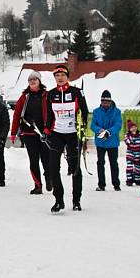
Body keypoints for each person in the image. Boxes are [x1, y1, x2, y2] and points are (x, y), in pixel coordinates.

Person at [44, 64, 89, 212]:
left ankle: (76, 200)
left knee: (75, 168)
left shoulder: (76, 92)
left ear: (67, 76)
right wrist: (46, 129)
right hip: (57, 134)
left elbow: (84, 112)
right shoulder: (51, 94)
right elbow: (49, 115)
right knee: (53, 168)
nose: (60, 78)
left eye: (62, 75)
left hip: (73, 134)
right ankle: (59, 200)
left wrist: (82, 132)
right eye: (57, 76)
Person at [10, 70, 50, 194]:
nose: (32, 81)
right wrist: (13, 132)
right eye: (30, 80)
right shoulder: (24, 97)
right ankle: (38, 185)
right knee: (33, 161)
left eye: (35, 79)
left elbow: (52, 113)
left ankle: (49, 178)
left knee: (47, 159)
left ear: (39, 81)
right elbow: (17, 115)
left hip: (44, 133)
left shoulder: (46, 95)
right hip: (28, 133)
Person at [90, 89, 122, 191]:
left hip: (112, 142)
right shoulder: (96, 111)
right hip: (100, 142)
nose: (105, 104)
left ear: (110, 101)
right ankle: (101, 184)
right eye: (103, 102)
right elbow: (93, 125)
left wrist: (109, 132)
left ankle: (116, 184)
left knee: (114, 164)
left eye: (107, 102)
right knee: (100, 163)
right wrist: (100, 130)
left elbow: (118, 125)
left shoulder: (117, 112)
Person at [124, 119, 140, 186]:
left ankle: (137, 180)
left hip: (138, 153)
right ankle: (129, 180)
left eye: (135, 127)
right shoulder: (127, 135)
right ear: (129, 129)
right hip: (130, 153)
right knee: (129, 167)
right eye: (132, 127)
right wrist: (132, 137)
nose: (134, 128)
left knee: (137, 167)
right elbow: (127, 142)